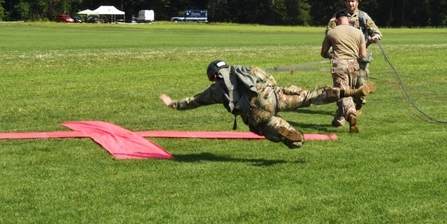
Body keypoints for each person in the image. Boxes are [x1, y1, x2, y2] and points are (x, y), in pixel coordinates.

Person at [160, 60, 376, 148]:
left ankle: (291, 133)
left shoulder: (217, 88)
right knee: (310, 96)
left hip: (256, 111)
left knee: (281, 134)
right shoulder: (245, 69)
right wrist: (276, 92)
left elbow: (195, 101)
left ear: (213, 75)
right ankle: (348, 92)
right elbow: (269, 79)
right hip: (271, 94)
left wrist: (172, 104)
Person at [326, 0, 382, 122]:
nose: (351, 4)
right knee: (343, 85)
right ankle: (345, 110)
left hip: (360, 56)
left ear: (358, 2)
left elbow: (377, 32)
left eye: (353, 1)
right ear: (345, 2)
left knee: (360, 82)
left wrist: (375, 37)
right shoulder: (338, 16)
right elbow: (329, 31)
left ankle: (358, 104)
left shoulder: (364, 16)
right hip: (343, 56)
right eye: (349, 1)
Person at [321, 11, 369, 133]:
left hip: (340, 65)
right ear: (348, 19)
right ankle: (338, 120)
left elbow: (323, 52)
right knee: (349, 92)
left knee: (342, 92)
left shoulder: (331, 32)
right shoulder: (358, 32)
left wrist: (330, 55)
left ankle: (351, 114)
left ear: (337, 21)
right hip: (354, 65)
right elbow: (363, 54)